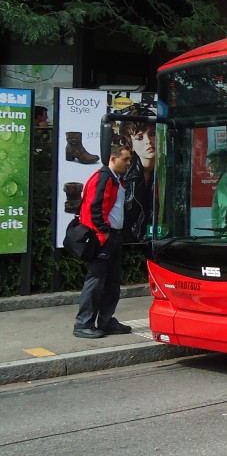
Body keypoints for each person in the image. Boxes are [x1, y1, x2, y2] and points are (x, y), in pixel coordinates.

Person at [73, 143, 135, 339]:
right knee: (97, 281)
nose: (128, 163)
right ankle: (83, 323)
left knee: (111, 281)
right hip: (104, 237)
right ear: (113, 158)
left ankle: (106, 321)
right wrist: (103, 233)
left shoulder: (114, 178)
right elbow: (93, 208)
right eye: (125, 159)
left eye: (129, 159)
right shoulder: (104, 177)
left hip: (112, 236)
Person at [119, 121, 155, 241]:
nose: (148, 141)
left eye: (153, 134)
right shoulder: (124, 178)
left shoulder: (174, 172)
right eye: (140, 138)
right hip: (131, 247)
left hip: (162, 244)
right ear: (131, 145)